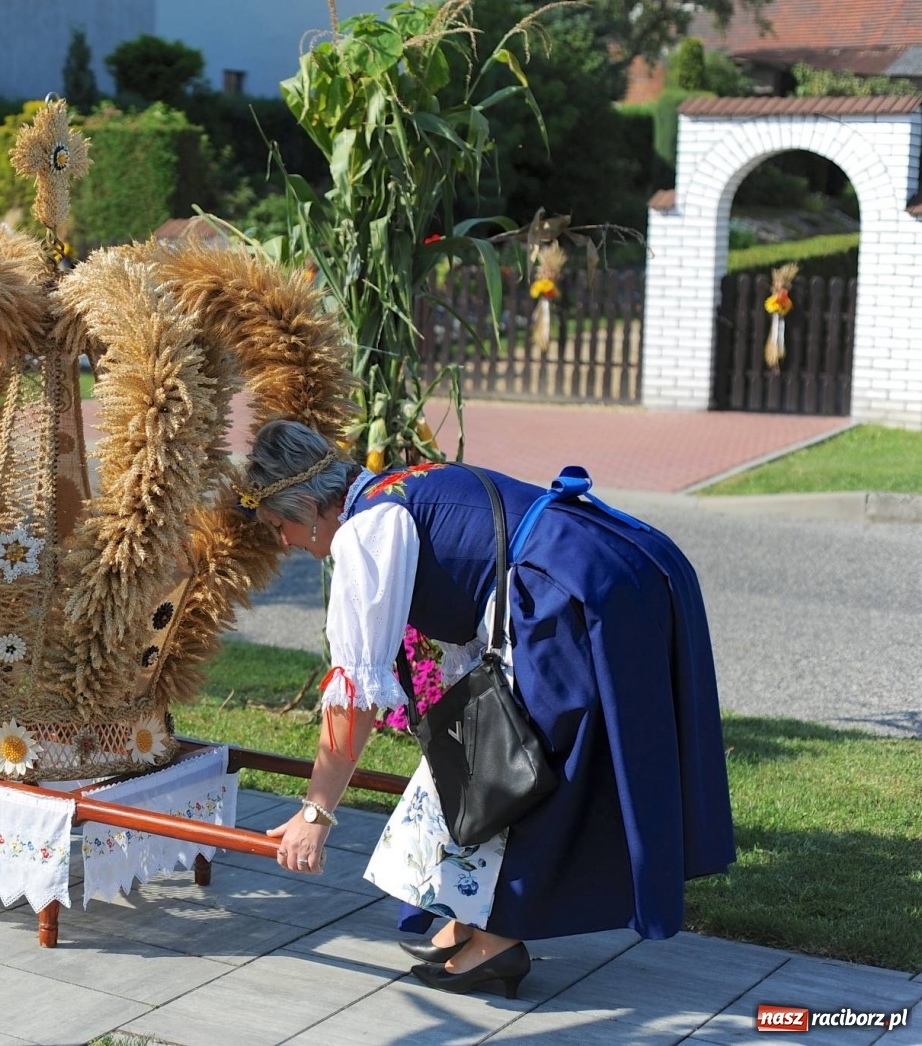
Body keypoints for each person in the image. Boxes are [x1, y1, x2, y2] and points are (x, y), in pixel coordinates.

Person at [246, 419, 734, 998]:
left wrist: (316, 814)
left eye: (280, 525)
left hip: (583, 588)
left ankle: (500, 937)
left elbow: (355, 697)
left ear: (308, 505)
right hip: (613, 565)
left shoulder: (367, 530)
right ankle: (474, 914)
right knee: (491, 747)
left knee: (525, 762)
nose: (285, 542)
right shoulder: (400, 486)